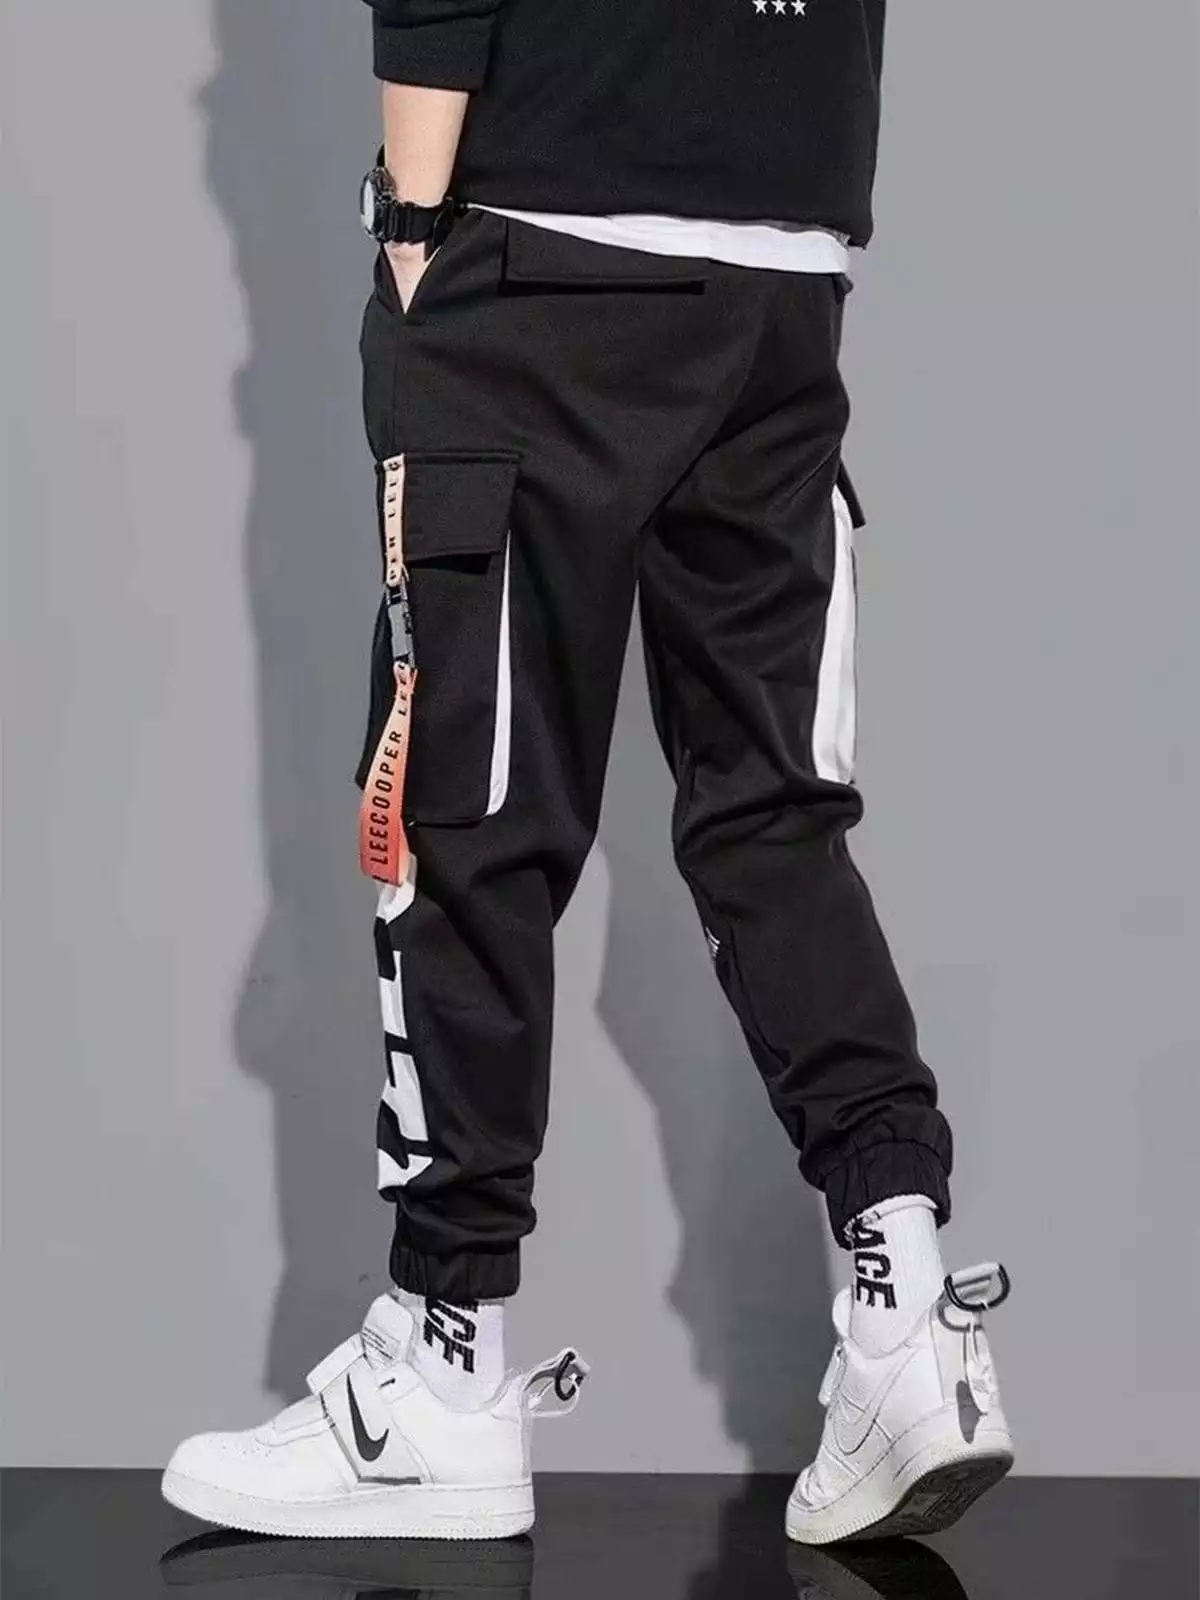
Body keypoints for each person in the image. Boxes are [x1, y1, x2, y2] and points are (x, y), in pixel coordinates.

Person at [162, 0, 1014, 1545]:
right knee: (774, 821)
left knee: (464, 817)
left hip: (545, 249)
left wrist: (410, 221)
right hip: (779, 265)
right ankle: (908, 1308)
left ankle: (445, 1365)